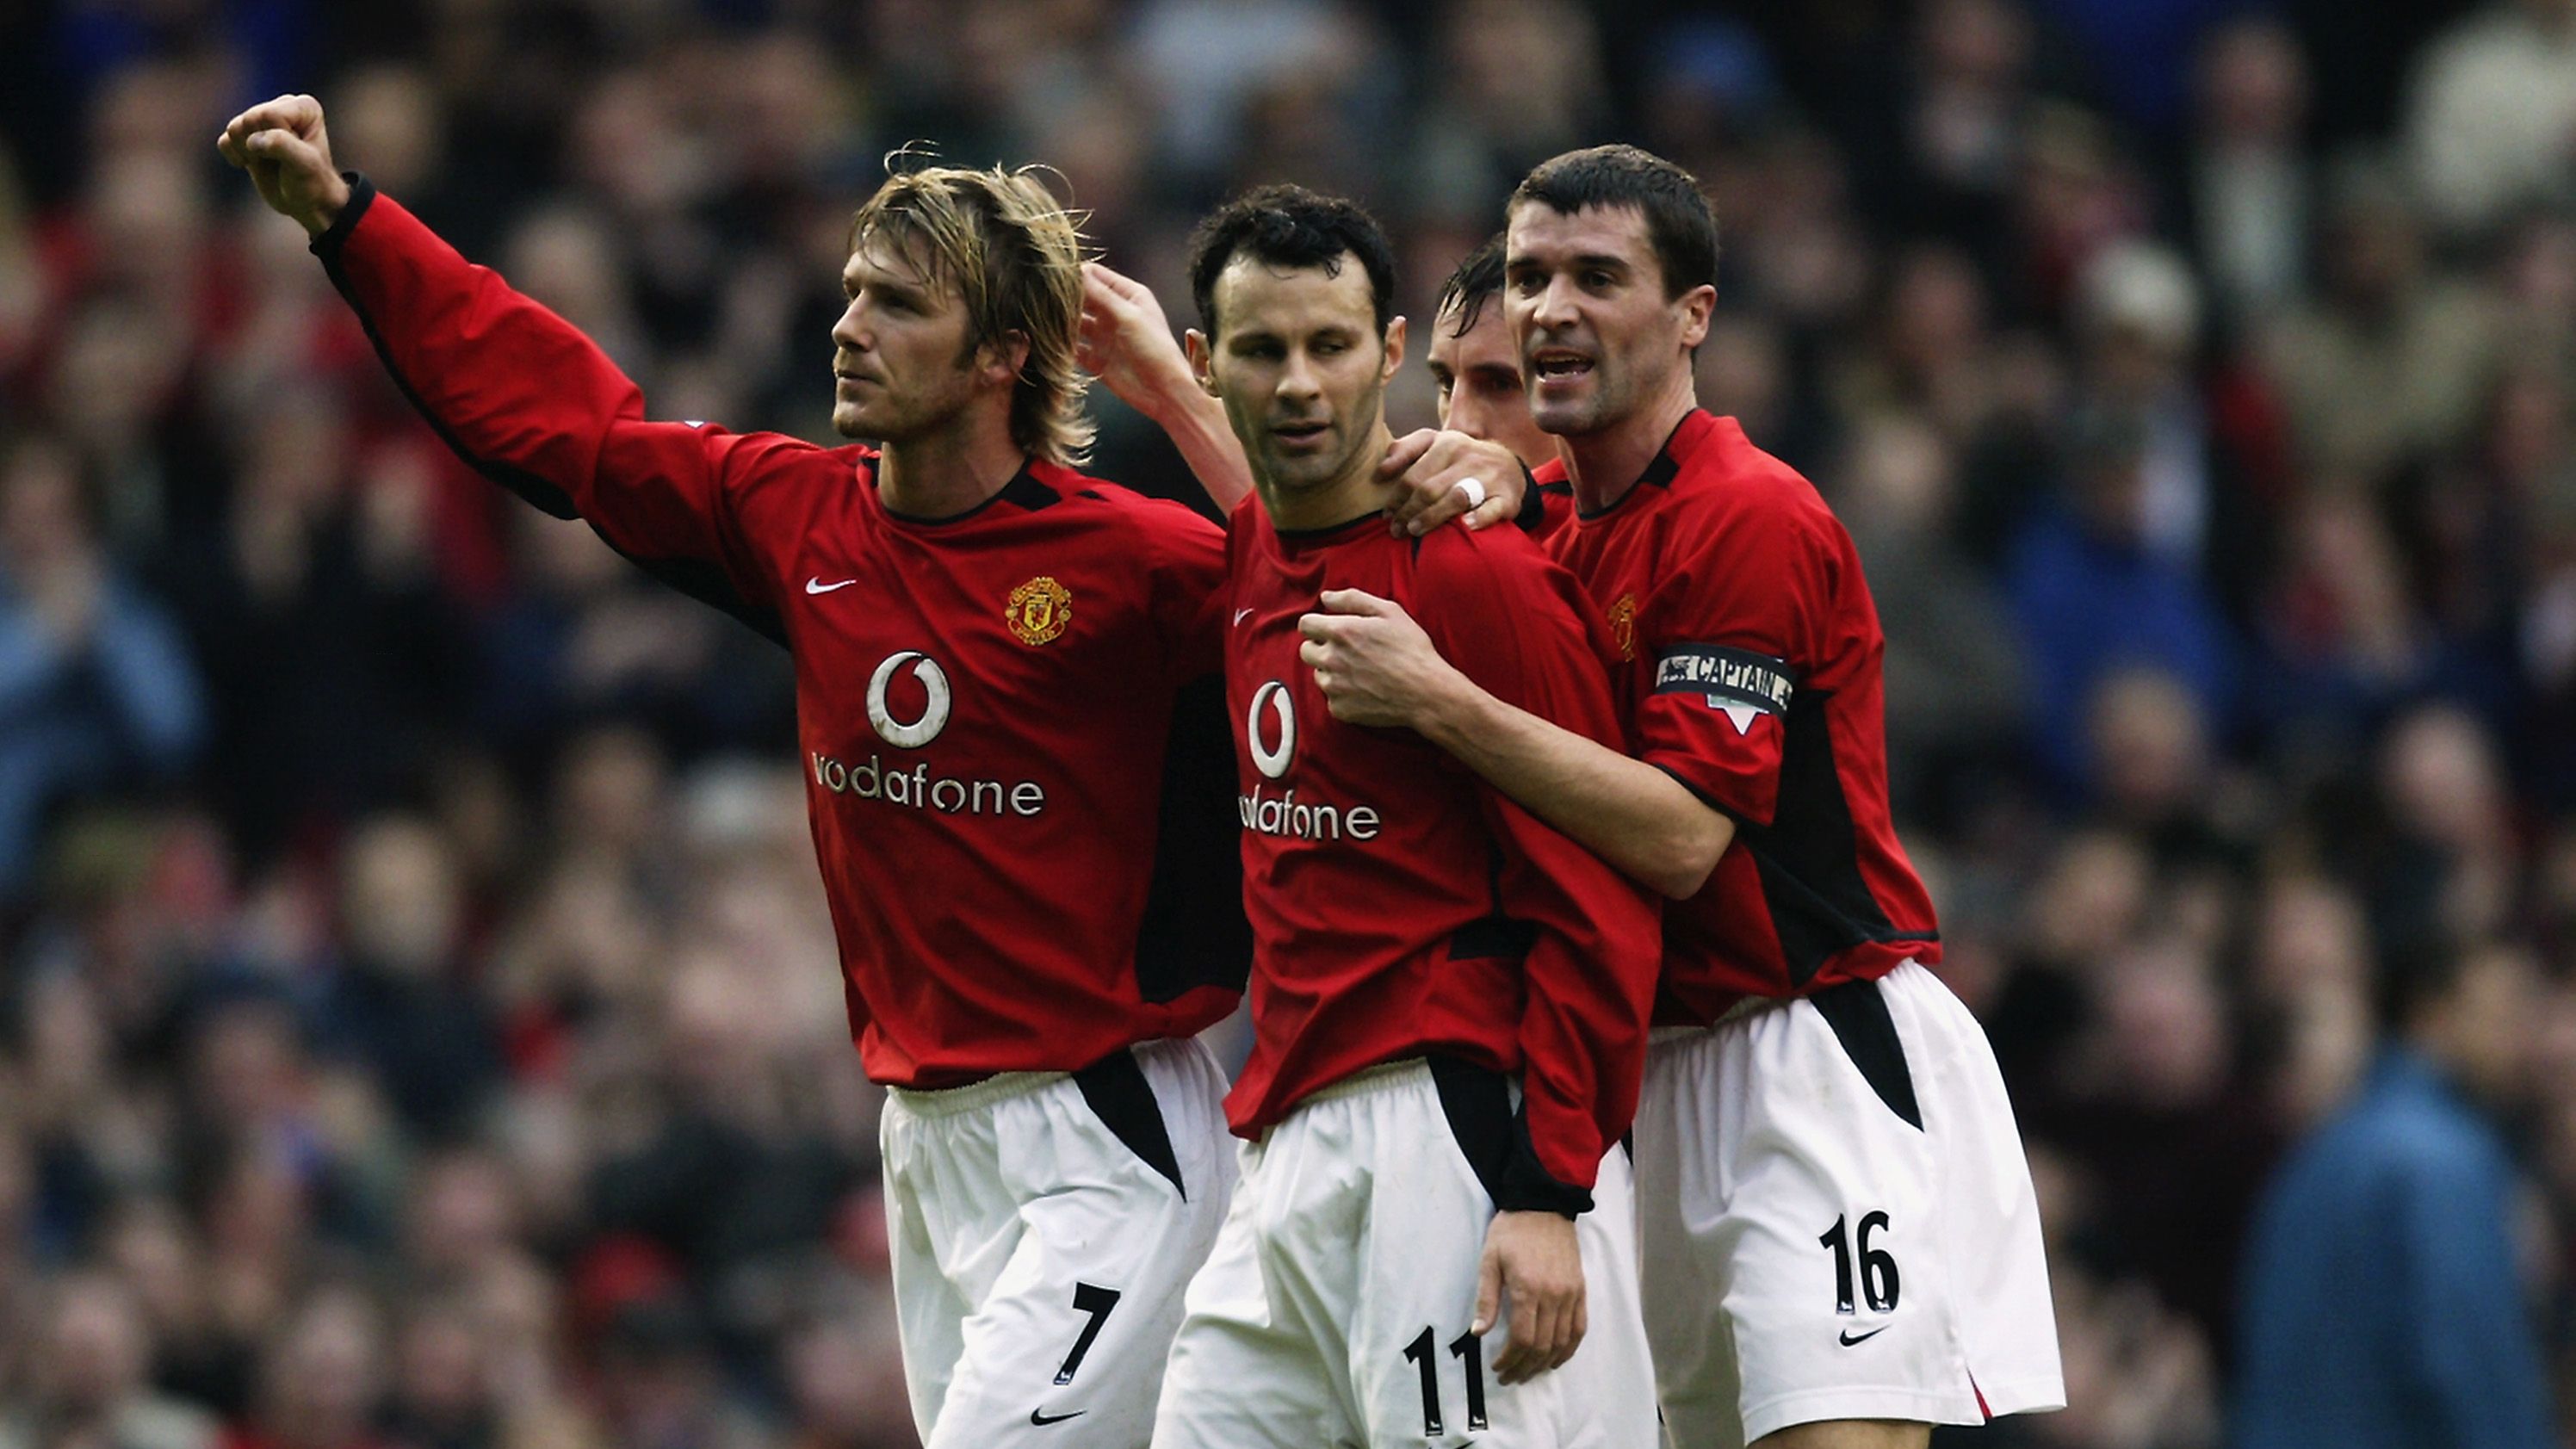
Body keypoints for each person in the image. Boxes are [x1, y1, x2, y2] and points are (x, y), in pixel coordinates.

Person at [216, 94, 1249, 1449]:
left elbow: (1321, 618)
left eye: (897, 305)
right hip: (927, 1143)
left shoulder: (1135, 563)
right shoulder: (796, 513)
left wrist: (1179, 395)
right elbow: (566, 423)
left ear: (1004, 352)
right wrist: (352, 223)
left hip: (1110, 1133)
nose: (849, 324)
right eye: (851, 291)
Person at [1294, 146, 2065, 1448]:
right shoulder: (1550, 516)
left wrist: (1440, 702)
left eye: (1598, 276)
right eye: (1531, 275)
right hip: (1646, 1078)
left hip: (1807, 1051)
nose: (1551, 309)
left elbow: (1683, 834)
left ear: (1693, 314)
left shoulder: (1749, 516)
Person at [1147, 184, 1660, 1449]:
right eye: (1263, 351)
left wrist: (1548, 1188)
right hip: (1283, 1147)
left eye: (1330, 345)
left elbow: (1595, 888)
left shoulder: (1472, 571)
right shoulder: (1252, 561)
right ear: (1210, 364)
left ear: (1386, 352)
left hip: (1455, 1136)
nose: (1301, 384)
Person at [2234, 936, 2556, 1449]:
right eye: (2503, 1012)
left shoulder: (2320, 1151)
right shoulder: (2444, 1159)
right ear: (2431, 1015)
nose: (2523, 1039)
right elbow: (2469, 1363)